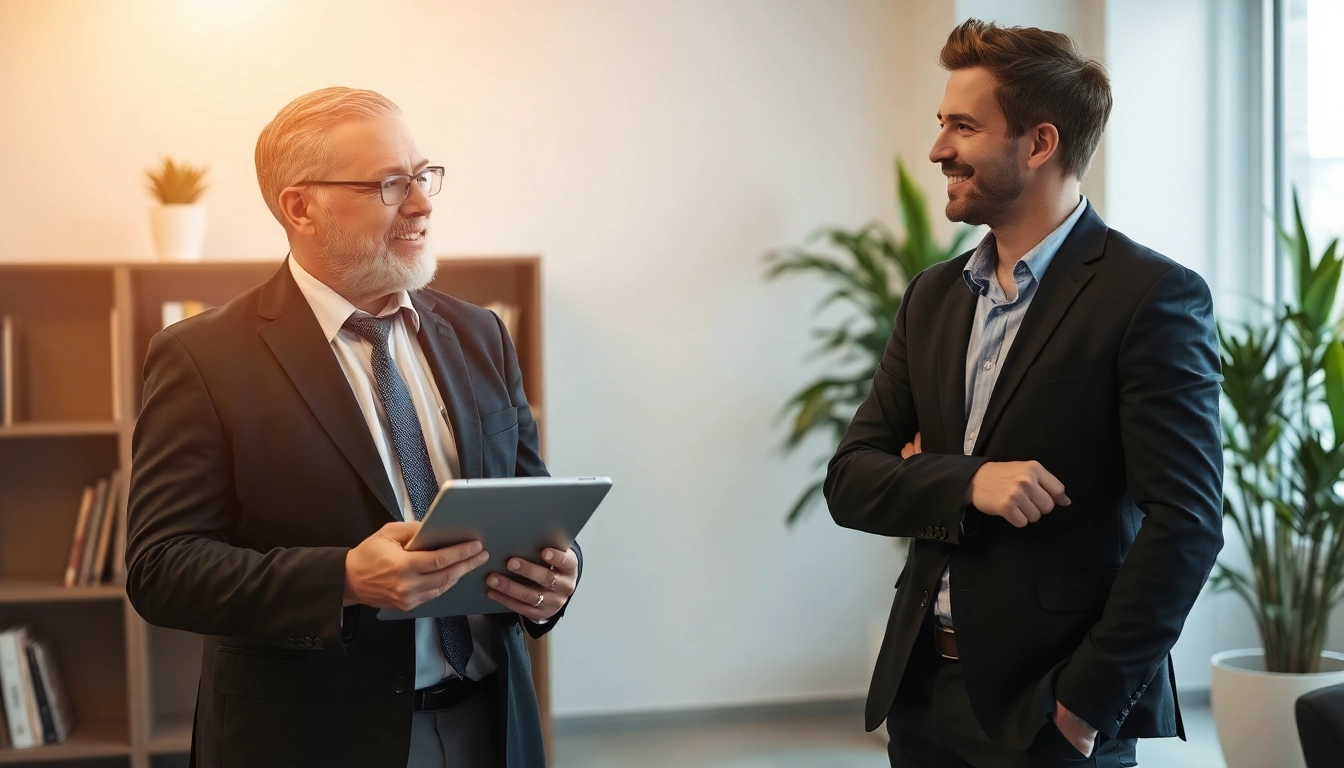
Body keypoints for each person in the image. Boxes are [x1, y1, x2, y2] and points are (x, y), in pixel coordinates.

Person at [125, 87, 577, 768]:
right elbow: (161, 568)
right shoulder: (202, 357)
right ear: (301, 207)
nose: (423, 202)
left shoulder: (480, 332)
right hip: (311, 741)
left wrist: (553, 582)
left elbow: (530, 503)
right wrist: (342, 578)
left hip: (494, 723)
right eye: (392, 184)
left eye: (424, 176)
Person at [824, 19, 1223, 768]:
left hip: (1051, 715)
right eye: (941, 124)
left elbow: (1188, 524)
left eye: (963, 127)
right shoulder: (933, 298)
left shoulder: (1152, 297)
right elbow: (851, 480)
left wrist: (1084, 707)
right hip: (919, 700)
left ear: (1040, 144)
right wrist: (970, 479)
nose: (939, 148)